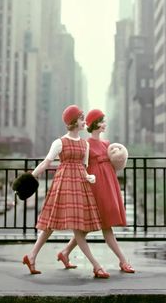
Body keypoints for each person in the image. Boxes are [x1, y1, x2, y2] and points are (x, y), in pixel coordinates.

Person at [22, 104, 110, 279]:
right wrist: (30, 177)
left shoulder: (85, 144)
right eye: (81, 118)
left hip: (79, 186)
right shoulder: (59, 142)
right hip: (63, 184)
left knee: (64, 226)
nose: (84, 121)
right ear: (73, 122)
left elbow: (84, 167)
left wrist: (89, 177)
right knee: (54, 225)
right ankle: (96, 266)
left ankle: (31, 256)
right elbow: (46, 163)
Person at [57, 108, 135, 273]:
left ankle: (65, 253)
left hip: (108, 185)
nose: (104, 124)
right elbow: (80, 165)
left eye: (104, 121)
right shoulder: (85, 144)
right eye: (101, 121)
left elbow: (116, 161)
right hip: (94, 186)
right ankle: (123, 261)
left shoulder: (107, 144)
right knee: (103, 226)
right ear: (94, 124)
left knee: (87, 228)